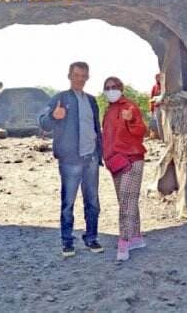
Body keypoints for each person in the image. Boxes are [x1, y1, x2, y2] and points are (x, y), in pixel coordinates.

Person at [38, 61, 104, 258]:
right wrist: (54, 116)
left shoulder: (91, 100)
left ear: (88, 77)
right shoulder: (60, 98)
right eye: (76, 75)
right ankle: (67, 241)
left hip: (90, 158)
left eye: (83, 75)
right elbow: (43, 123)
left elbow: (95, 129)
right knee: (68, 202)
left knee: (93, 201)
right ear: (69, 76)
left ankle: (91, 238)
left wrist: (99, 153)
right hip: (70, 160)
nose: (80, 79)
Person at [102, 76, 148, 261]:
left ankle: (124, 241)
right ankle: (136, 237)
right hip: (115, 161)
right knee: (126, 201)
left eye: (114, 87)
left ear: (121, 88)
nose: (111, 90)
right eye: (107, 87)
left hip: (132, 159)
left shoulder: (129, 107)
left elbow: (141, 131)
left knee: (127, 201)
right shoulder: (109, 110)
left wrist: (130, 121)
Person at [149, 73, 164, 140]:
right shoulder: (154, 87)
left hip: (165, 107)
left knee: (165, 123)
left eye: (159, 77)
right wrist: (152, 109)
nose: (157, 79)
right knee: (159, 123)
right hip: (157, 107)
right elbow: (151, 98)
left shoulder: (164, 85)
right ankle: (162, 138)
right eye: (156, 78)